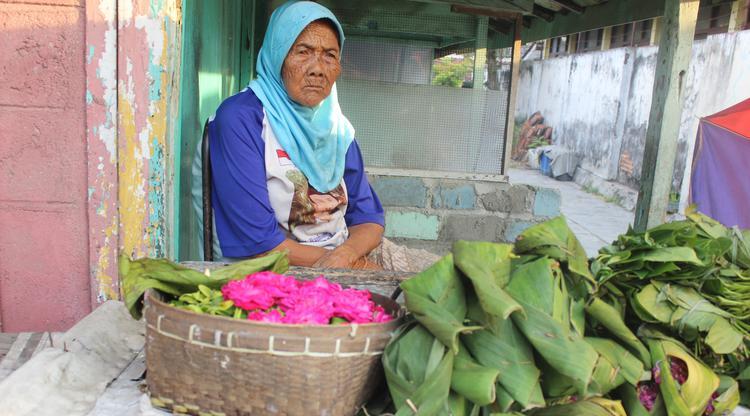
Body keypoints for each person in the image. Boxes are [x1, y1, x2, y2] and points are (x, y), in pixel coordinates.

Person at [205, 1, 385, 270]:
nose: (318, 68)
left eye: (330, 55)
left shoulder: (336, 128)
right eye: (303, 51)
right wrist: (353, 267)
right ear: (278, 56)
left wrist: (347, 255)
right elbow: (261, 246)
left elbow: (369, 219)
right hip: (272, 271)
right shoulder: (241, 119)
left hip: (343, 259)